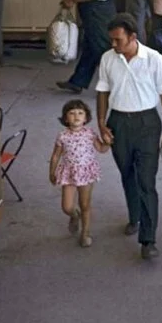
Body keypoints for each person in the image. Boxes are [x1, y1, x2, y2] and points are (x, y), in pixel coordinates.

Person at [96, 13, 162, 260]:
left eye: (118, 40)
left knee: (146, 180)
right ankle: (134, 216)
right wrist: (101, 123)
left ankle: (148, 239)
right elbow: (102, 91)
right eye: (111, 40)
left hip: (147, 123)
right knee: (127, 174)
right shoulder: (107, 59)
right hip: (118, 123)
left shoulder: (154, 59)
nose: (113, 45)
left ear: (133, 37)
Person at [49, 99, 110, 249]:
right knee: (67, 206)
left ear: (86, 118)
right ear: (65, 118)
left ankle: (85, 233)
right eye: (72, 113)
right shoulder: (62, 135)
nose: (76, 116)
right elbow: (56, 155)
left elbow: (101, 149)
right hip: (68, 173)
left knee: (85, 204)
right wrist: (52, 171)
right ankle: (74, 216)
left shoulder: (90, 134)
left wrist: (108, 142)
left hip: (86, 173)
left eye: (80, 113)